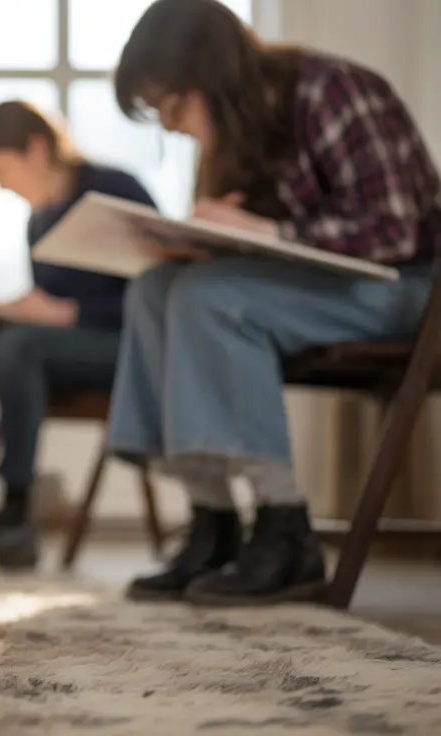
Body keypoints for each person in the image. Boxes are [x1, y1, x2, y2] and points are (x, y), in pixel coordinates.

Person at [108, 0, 440, 605]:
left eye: (172, 106)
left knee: (214, 298)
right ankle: (214, 522)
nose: (173, 126)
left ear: (214, 75)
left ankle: (285, 527)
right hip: (319, 289)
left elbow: (397, 233)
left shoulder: (335, 91)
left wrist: (267, 234)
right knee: (155, 290)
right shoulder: (236, 134)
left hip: (409, 290)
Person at [0, 100, 159, 568]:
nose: (1, 185)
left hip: (124, 348)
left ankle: (16, 509)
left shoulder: (115, 190)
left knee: (18, 344)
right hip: (46, 349)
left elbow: (157, 293)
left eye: (2, 170)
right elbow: (43, 304)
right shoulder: (38, 219)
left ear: (38, 149)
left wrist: (71, 313)